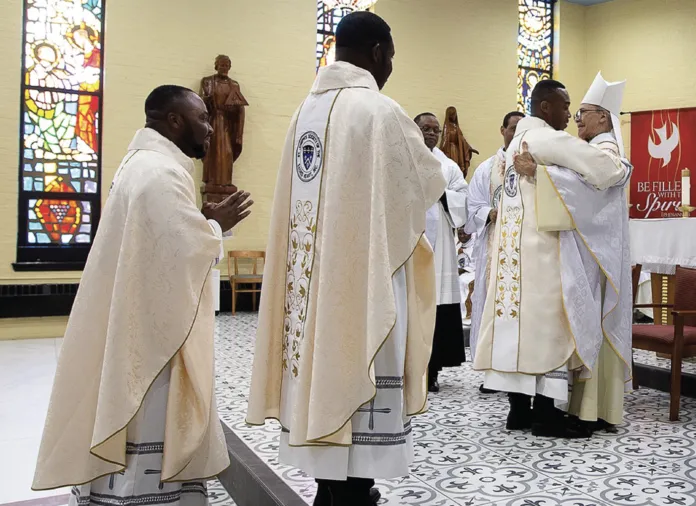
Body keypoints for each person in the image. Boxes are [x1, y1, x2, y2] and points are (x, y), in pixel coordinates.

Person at [245, 11, 446, 506]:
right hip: (361, 283)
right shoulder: (380, 112)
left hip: (311, 288)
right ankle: (354, 491)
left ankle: (330, 487)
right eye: (392, 57)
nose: (391, 67)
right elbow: (425, 183)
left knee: (319, 367)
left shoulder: (303, 113)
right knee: (362, 368)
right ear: (377, 52)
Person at [32, 85, 254, 505]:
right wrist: (212, 228)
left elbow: (158, 243)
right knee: (148, 423)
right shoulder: (160, 173)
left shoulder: (142, 164)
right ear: (174, 120)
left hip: (135, 315)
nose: (209, 128)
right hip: (150, 338)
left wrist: (200, 220)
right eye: (202, 119)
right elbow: (176, 255)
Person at [473, 79, 631, 438]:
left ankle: (518, 413)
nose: (569, 113)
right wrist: (624, 168)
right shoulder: (546, 139)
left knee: (516, 333)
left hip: (512, 259)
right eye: (565, 105)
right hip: (542, 257)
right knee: (549, 333)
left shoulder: (515, 144)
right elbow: (607, 170)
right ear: (546, 107)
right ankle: (545, 416)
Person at [414, 112, 469, 393]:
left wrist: (444, 194)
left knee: (436, 309)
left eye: (436, 129)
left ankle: (432, 370)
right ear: (415, 130)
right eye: (426, 128)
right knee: (412, 307)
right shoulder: (405, 158)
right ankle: (409, 370)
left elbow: (463, 194)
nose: (432, 133)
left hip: (441, 251)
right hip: (411, 243)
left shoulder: (448, 166)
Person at [465, 111, 524, 364]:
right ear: (502, 130)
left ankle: (518, 364)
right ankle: (489, 365)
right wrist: (489, 212)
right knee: (490, 301)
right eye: (513, 128)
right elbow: (471, 204)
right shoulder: (487, 168)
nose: (516, 134)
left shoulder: (534, 165)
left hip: (525, 249)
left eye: (522, 130)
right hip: (493, 246)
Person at [440, 106, 479, 177]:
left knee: (458, 169)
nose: (454, 116)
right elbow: (445, 140)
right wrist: (441, 152)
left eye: (455, 114)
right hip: (450, 151)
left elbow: (462, 140)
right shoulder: (447, 127)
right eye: (452, 114)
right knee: (451, 169)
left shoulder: (456, 127)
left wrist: (469, 148)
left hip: (457, 152)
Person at [456, 227, 476, 328]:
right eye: (459, 234)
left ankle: (467, 315)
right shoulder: (458, 245)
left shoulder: (475, 244)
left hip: (474, 272)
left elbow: (475, 264)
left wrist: (462, 270)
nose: (462, 236)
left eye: (465, 234)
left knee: (463, 281)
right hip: (462, 272)